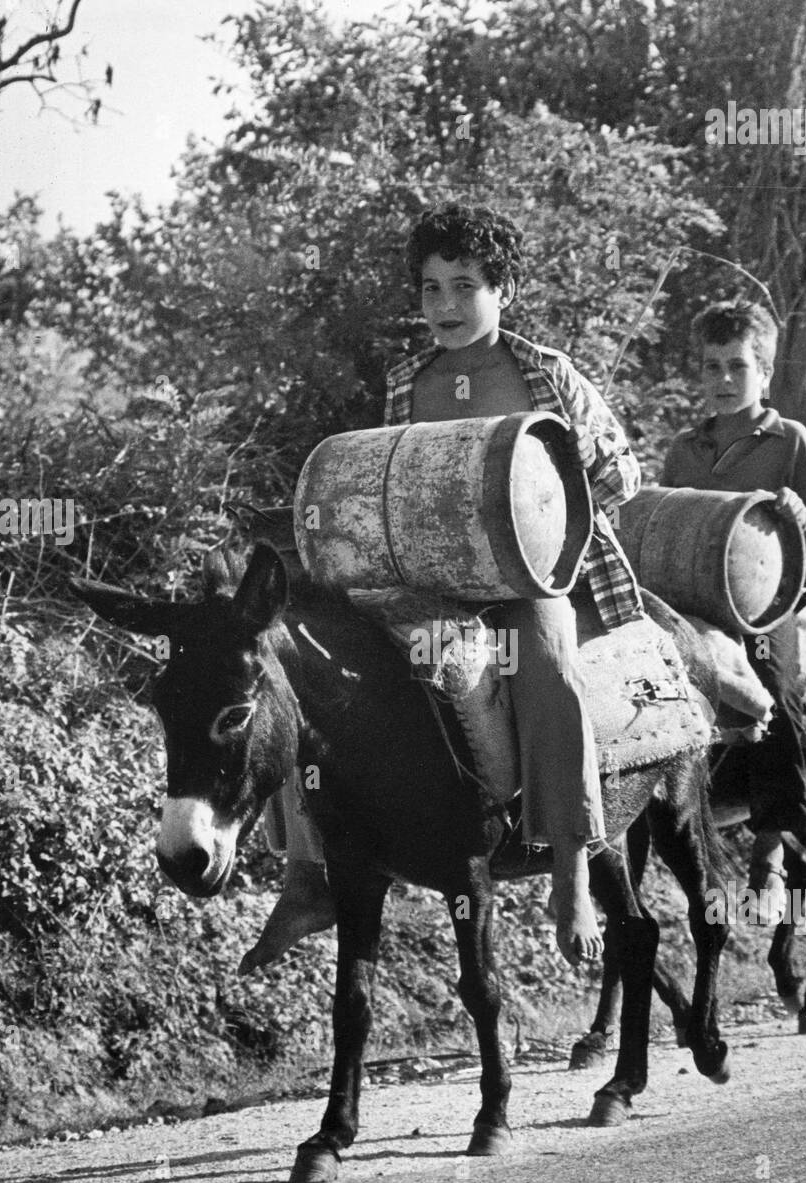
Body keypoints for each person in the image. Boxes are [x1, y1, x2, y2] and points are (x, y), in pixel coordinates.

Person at [248, 202, 646, 971]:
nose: (444, 307)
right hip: (426, 585)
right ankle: (307, 871)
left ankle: (569, 868)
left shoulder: (547, 373)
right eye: (430, 289)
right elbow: (389, 487)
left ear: (502, 290)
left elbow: (621, 474)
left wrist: (593, 467)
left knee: (547, 667)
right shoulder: (406, 383)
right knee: (297, 661)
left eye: (464, 286)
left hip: (525, 583)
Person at [661, 300, 806, 924]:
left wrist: (799, 512)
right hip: (697, 605)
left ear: (763, 370)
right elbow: (663, 526)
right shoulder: (685, 447)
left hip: (770, 605)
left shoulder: (788, 439)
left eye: (738, 366)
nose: (724, 380)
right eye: (711, 367)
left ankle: (769, 855)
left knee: (774, 690)